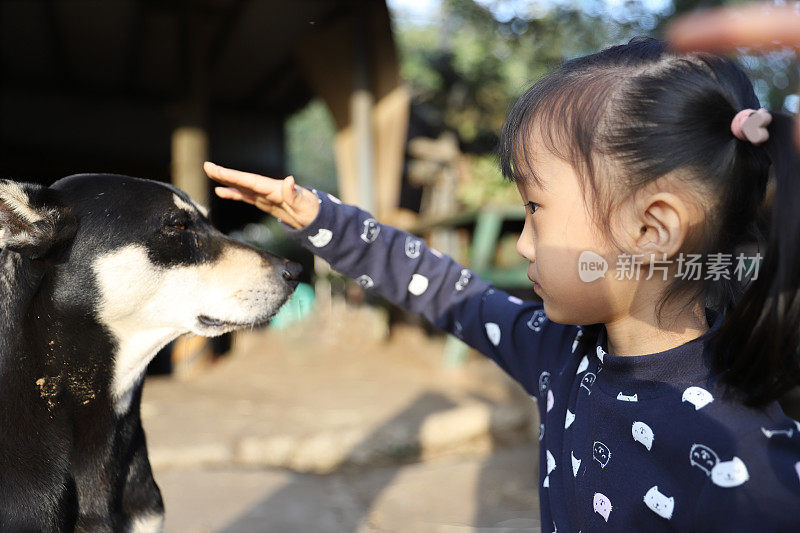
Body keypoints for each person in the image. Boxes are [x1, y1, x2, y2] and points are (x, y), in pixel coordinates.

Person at [204, 37, 800, 531]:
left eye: (535, 208)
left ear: (651, 228)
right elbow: (441, 287)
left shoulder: (751, 470)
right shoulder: (562, 352)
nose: (521, 243)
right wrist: (319, 217)